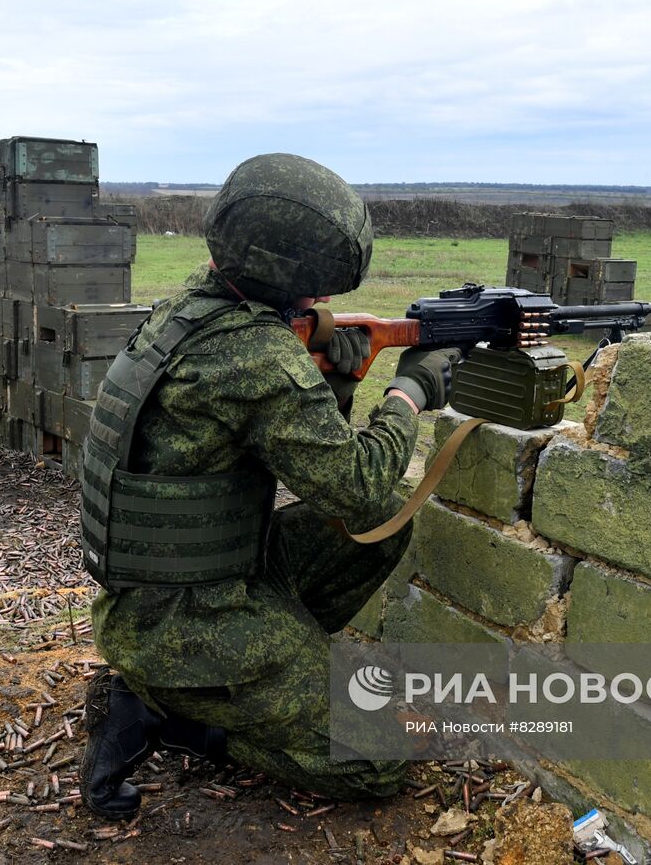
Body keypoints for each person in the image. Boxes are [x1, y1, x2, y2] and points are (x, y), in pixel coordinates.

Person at [78, 152, 461, 819]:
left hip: (175, 585)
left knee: (381, 527)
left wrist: (334, 389)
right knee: (379, 758)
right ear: (289, 275)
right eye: (315, 286)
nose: (322, 301)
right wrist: (410, 390)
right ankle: (172, 714)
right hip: (186, 621)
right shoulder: (255, 354)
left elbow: (324, 481)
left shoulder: (192, 310)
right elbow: (361, 484)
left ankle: (261, 676)